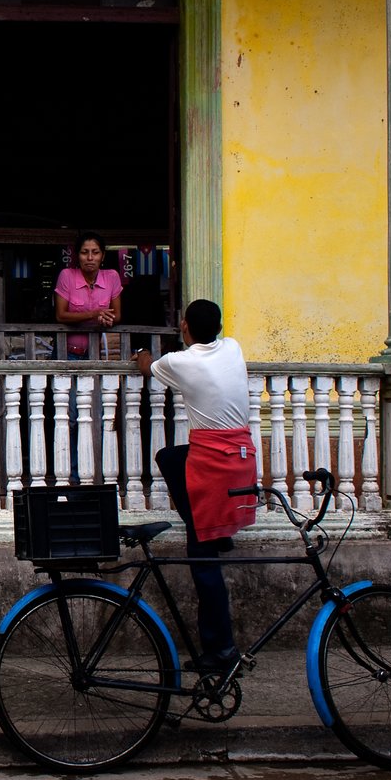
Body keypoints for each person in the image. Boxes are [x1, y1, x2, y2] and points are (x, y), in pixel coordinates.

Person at [134, 299, 258, 673]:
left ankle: (220, 651)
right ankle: (214, 533)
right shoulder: (234, 349)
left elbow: (145, 367)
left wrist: (142, 350)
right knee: (170, 458)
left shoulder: (181, 362)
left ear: (184, 327)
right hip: (241, 459)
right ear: (219, 327)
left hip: (212, 468)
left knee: (203, 566)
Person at [54, 231, 122, 360]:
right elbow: (60, 315)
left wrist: (107, 319)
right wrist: (95, 314)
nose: (90, 258)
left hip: (94, 353)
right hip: (66, 353)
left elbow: (117, 315)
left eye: (95, 252)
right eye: (84, 252)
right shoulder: (67, 275)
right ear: (77, 256)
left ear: (103, 256)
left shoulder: (112, 277)